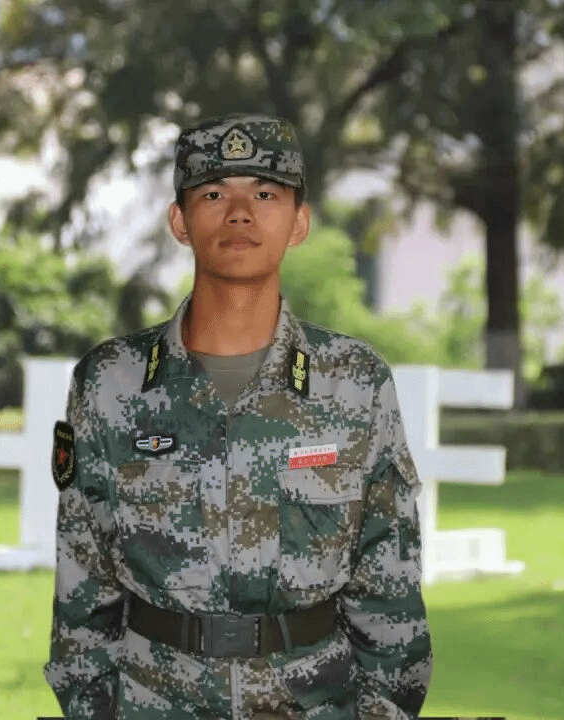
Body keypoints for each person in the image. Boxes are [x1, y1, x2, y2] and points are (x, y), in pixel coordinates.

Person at [44, 113, 432, 719]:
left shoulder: (355, 381)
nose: (240, 213)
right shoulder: (110, 382)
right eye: (213, 194)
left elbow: (390, 588)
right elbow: (83, 584)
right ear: (180, 221)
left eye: (266, 194)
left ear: (299, 223)